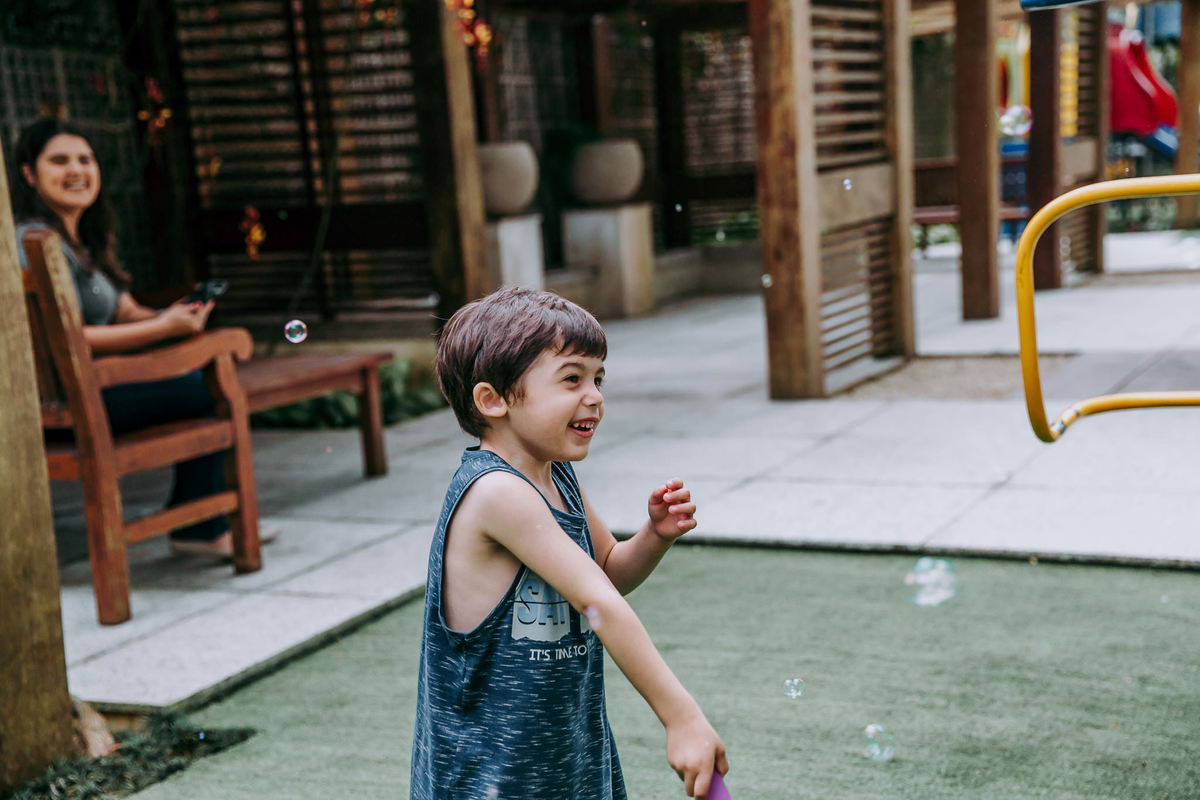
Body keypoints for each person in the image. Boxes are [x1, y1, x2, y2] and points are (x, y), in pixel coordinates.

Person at [411, 286, 728, 799]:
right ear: (493, 400)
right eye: (572, 378)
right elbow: (598, 601)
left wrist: (652, 537)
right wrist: (681, 717)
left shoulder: (556, 477)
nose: (595, 395)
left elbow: (607, 572)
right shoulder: (496, 492)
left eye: (599, 377)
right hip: (495, 774)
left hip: (562, 755)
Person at [10, 116, 272, 558]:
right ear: (29, 174)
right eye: (59, 161)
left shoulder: (82, 241)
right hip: (68, 398)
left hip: (93, 388)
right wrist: (163, 328)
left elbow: (122, 310)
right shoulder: (31, 241)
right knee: (205, 388)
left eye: (85, 159)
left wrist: (170, 315)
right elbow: (68, 337)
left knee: (200, 382)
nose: (76, 170)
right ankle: (201, 524)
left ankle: (201, 521)